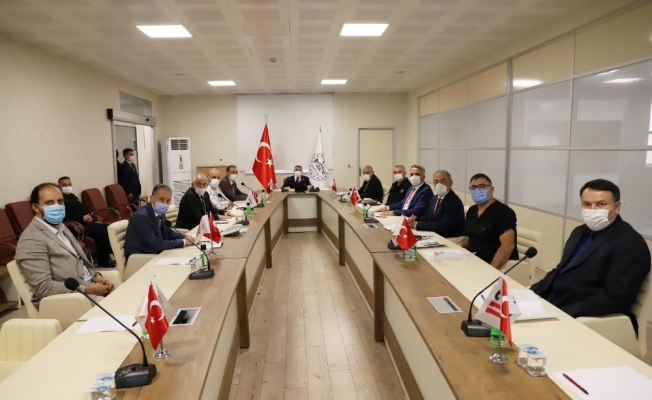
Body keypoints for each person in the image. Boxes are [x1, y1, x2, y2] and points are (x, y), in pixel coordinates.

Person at [531, 179, 651, 334]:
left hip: (582, 315)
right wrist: (530, 293)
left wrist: (564, 313)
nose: (593, 210)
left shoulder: (630, 243)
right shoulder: (580, 232)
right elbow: (560, 270)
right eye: (587, 204)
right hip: (552, 302)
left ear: (617, 207)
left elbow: (615, 298)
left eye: (601, 204)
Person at [15, 183, 114, 300]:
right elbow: (43, 287)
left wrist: (96, 276)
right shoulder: (31, 240)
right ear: (36, 208)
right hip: (71, 299)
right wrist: (89, 290)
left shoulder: (61, 227)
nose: (57, 206)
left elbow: (80, 260)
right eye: (49, 203)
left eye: (60, 201)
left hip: (90, 287)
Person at [459, 173, 518, 268]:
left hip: (492, 265)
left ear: (491, 189)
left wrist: (491, 271)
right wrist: (459, 246)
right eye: (473, 187)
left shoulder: (503, 212)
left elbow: (507, 246)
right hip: (470, 260)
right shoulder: (472, 210)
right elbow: (470, 236)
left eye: (481, 186)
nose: (477, 190)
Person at [58, 176, 116, 267]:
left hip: (83, 223)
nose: (67, 187)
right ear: (59, 187)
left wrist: (87, 217)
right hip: (74, 227)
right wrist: (82, 218)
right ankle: (103, 261)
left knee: (107, 227)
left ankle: (108, 256)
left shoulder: (72, 197)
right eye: (64, 185)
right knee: (101, 233)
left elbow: (81, 210)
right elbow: (65, 218)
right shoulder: (60, 200)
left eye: (69, 184)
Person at [124, 184, 194, 259]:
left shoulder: (159, 213)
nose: (165, 203)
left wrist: (187, 238)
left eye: (168, 200)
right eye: (161, 199)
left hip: (155, 253)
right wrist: (183, 242)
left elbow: (168, 233)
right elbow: (156, 245)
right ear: (152, 198)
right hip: (140, 257)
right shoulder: (141, 217)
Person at [407, 170, 465, 238]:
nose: (439, 184)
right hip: (435, 234)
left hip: (449, 237)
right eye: (436, 182)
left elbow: (443, 227)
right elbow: (427, 218)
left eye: (443, 181)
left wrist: (416, 224)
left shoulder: (454, 202)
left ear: (450, 183)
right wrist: (415, 219)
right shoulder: (434, 198)